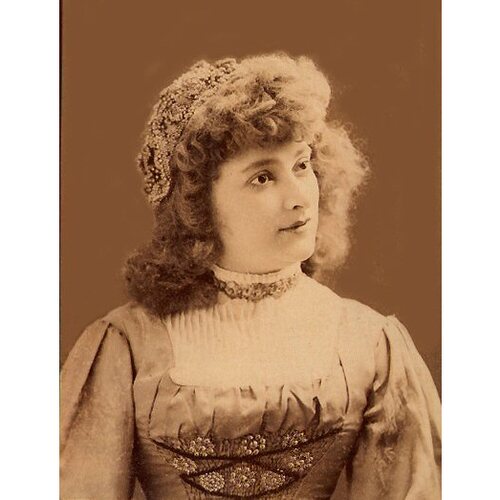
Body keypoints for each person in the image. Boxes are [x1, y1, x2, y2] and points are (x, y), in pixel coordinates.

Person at [60, 53, 441, 499]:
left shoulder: (368, 342)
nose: (299, 197)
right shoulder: (127, 344)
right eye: (263, 177)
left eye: (301, 165)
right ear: (197, 205)